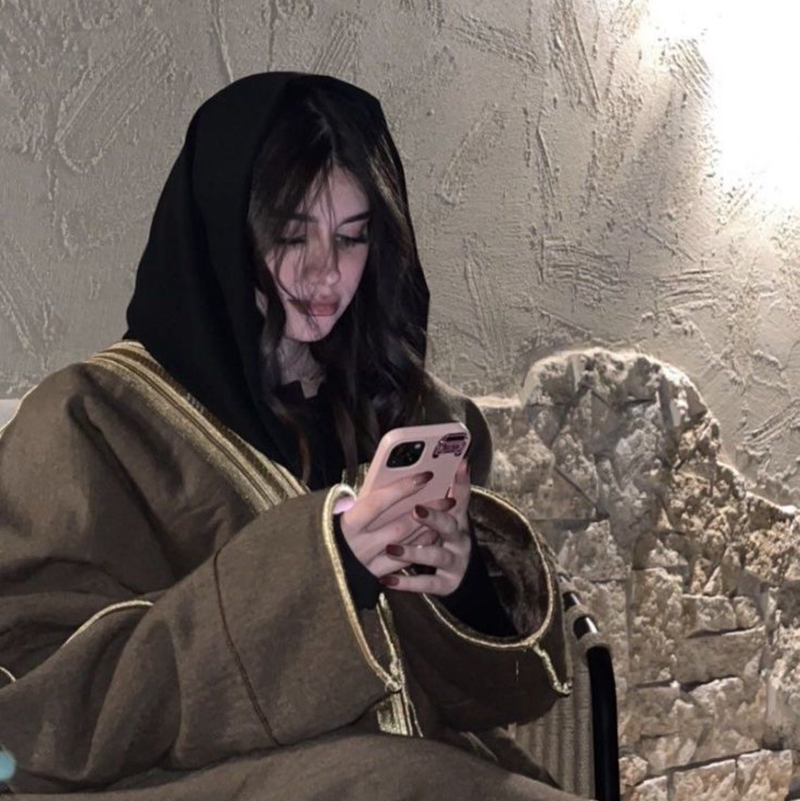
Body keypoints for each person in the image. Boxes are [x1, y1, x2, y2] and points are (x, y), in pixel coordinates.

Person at [0, 72, 576, 799]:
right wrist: (329, 567)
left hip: (412, 765)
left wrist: (461, 587)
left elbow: (499, 702)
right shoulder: (86, 422)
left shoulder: (404, 408)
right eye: (291, 234)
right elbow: (36, 714)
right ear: (223, 230)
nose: (324, 272)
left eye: (352, 237)